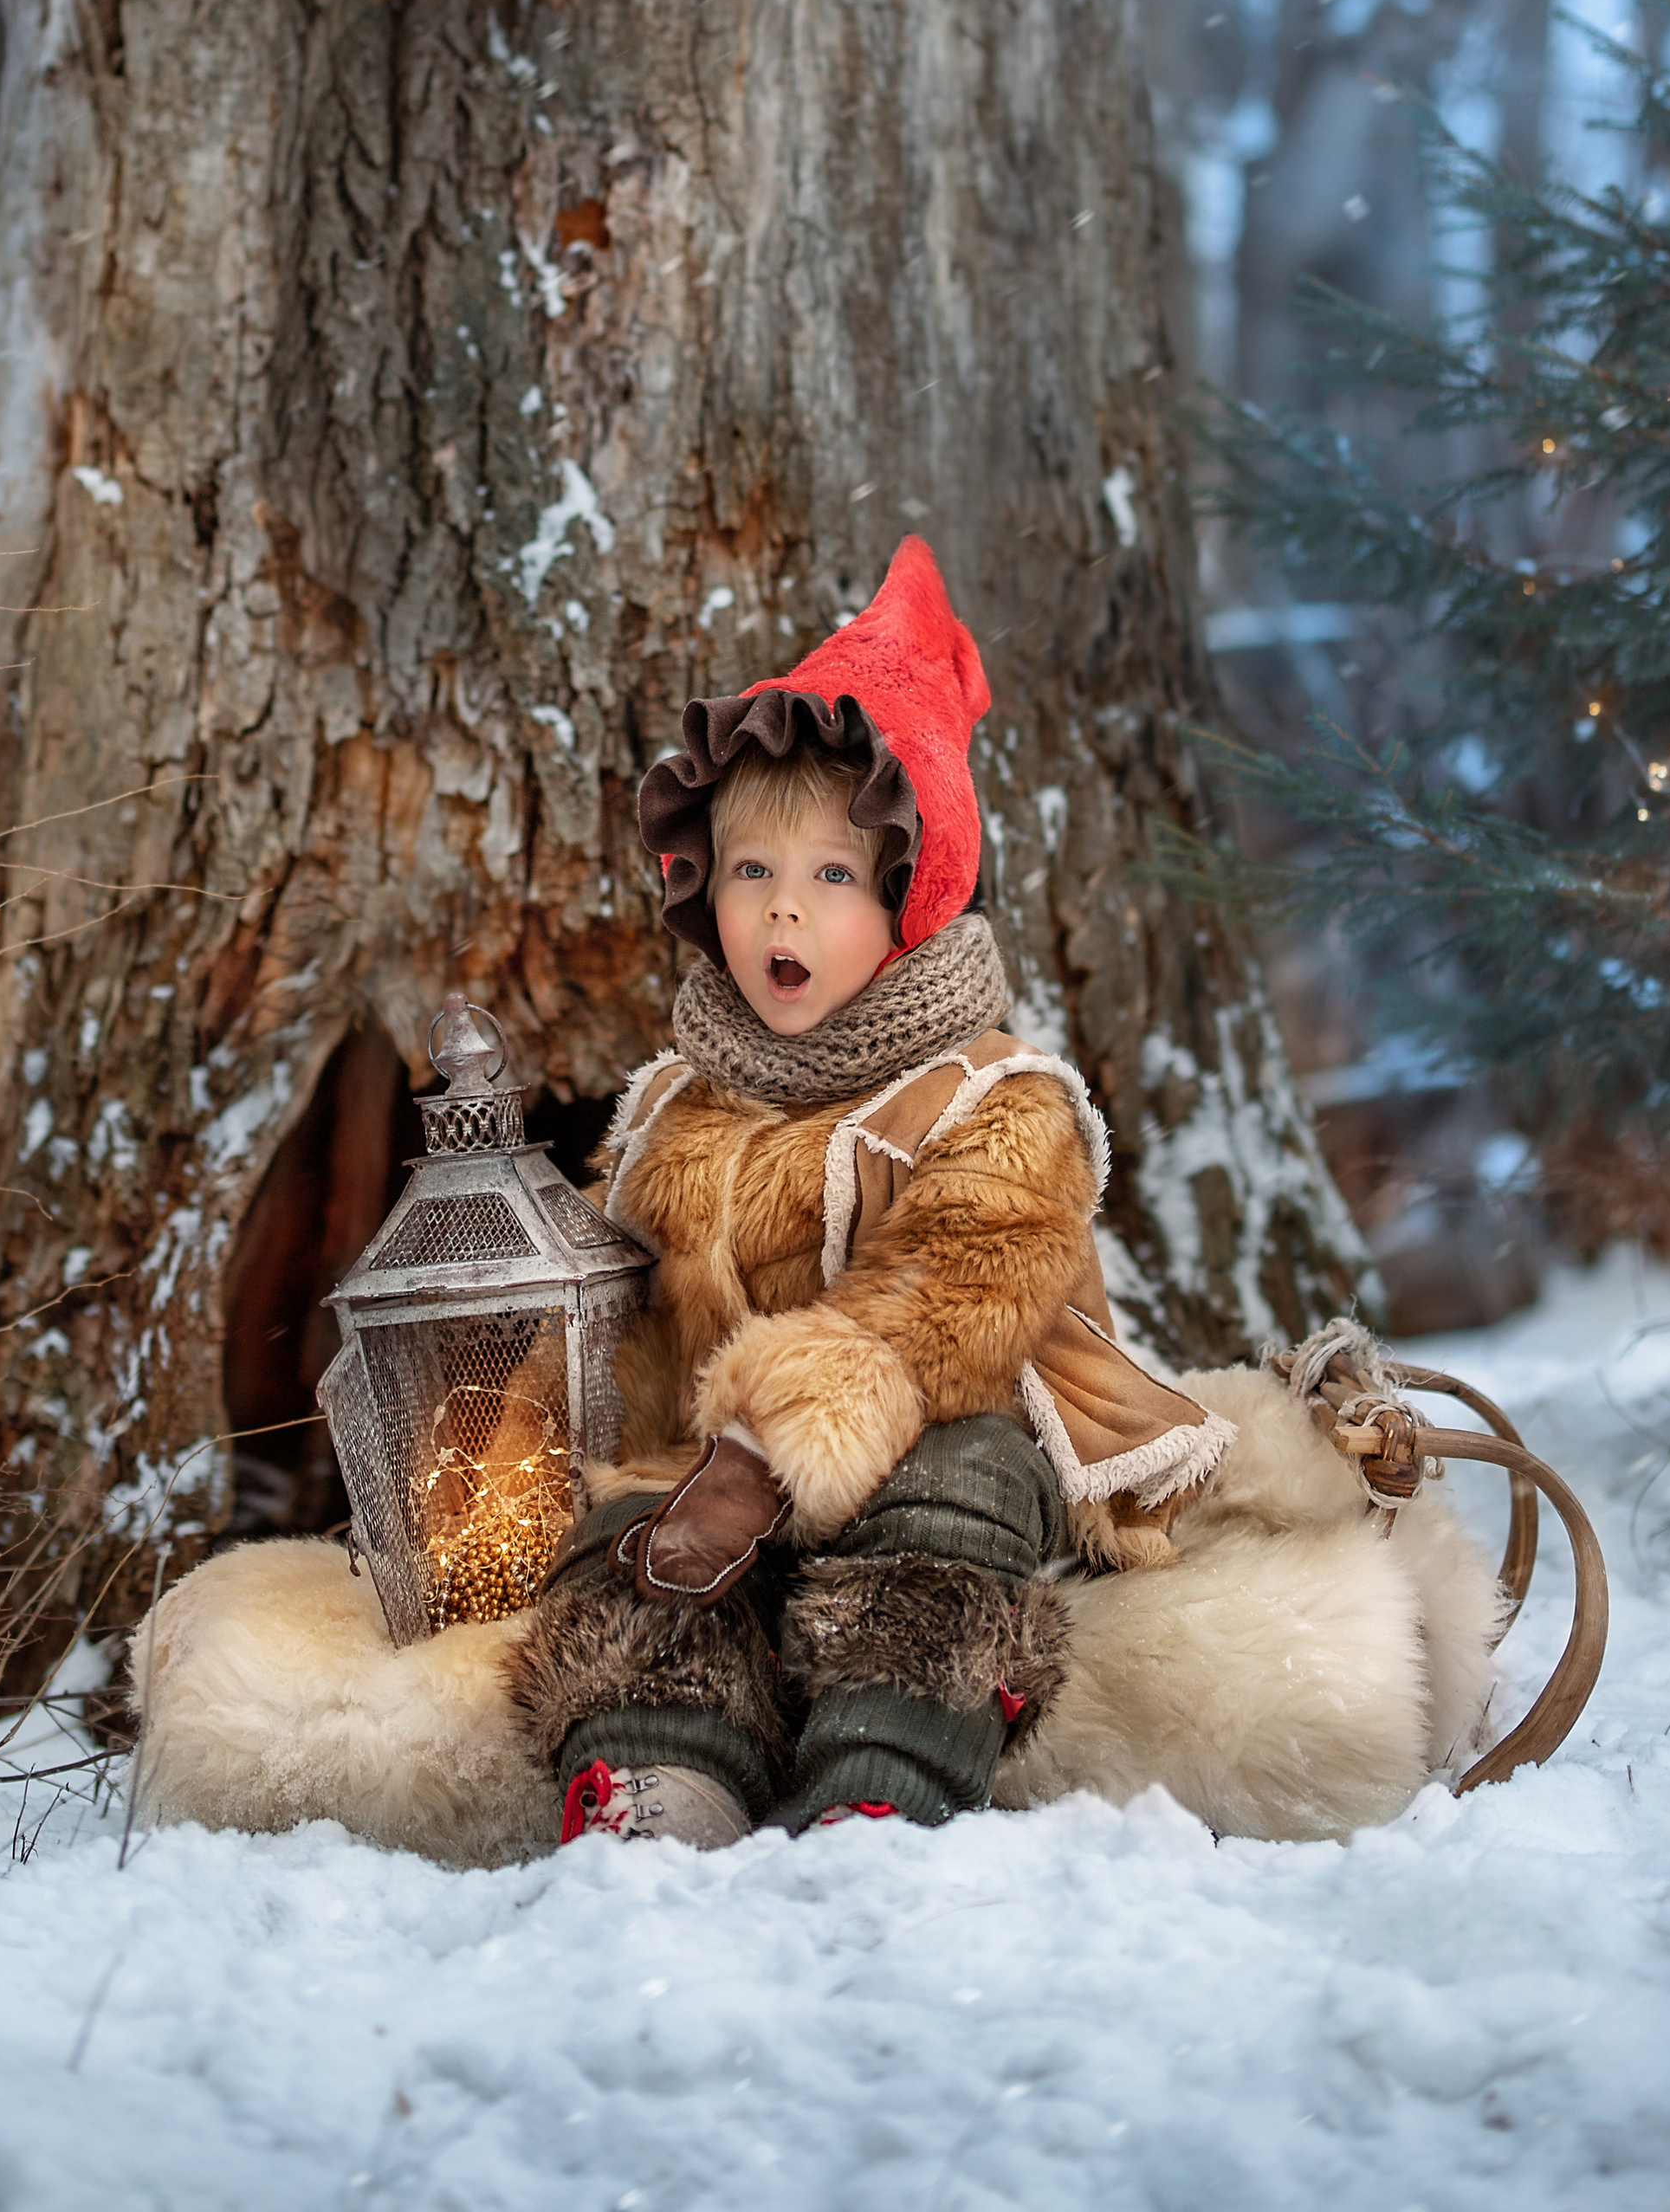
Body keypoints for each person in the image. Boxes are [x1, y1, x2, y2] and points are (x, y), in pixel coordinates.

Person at [508, 537, 1233, 1845]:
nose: (782, 916)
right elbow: (617, 1309)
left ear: (909, 890)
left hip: (930, 1443)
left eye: (831, 879)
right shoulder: (679, 1105)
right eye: (752, 875)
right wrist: (517, 1436)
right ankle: (661, 1770)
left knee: (951, 1517)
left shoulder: (992, 1101)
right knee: (630, 1550)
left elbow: (958, 1298)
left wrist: (786, 1421)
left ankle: (884, 1775)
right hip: (715, 1497)